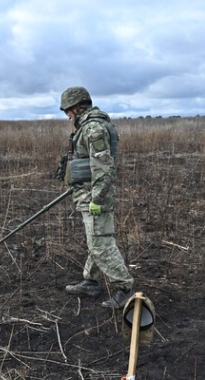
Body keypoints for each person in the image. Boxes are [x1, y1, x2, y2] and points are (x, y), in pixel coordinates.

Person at [59, 86, 135, 309]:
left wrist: (97, 200)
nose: (68, 116)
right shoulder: (88, 126)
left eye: (68, 111)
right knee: (95, 239)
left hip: (95, 196)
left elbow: (103, 168)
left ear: (76, 107)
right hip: (87, 193)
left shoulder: (93, 128)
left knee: (101, 244)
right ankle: (90, 282)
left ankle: (125, 288)